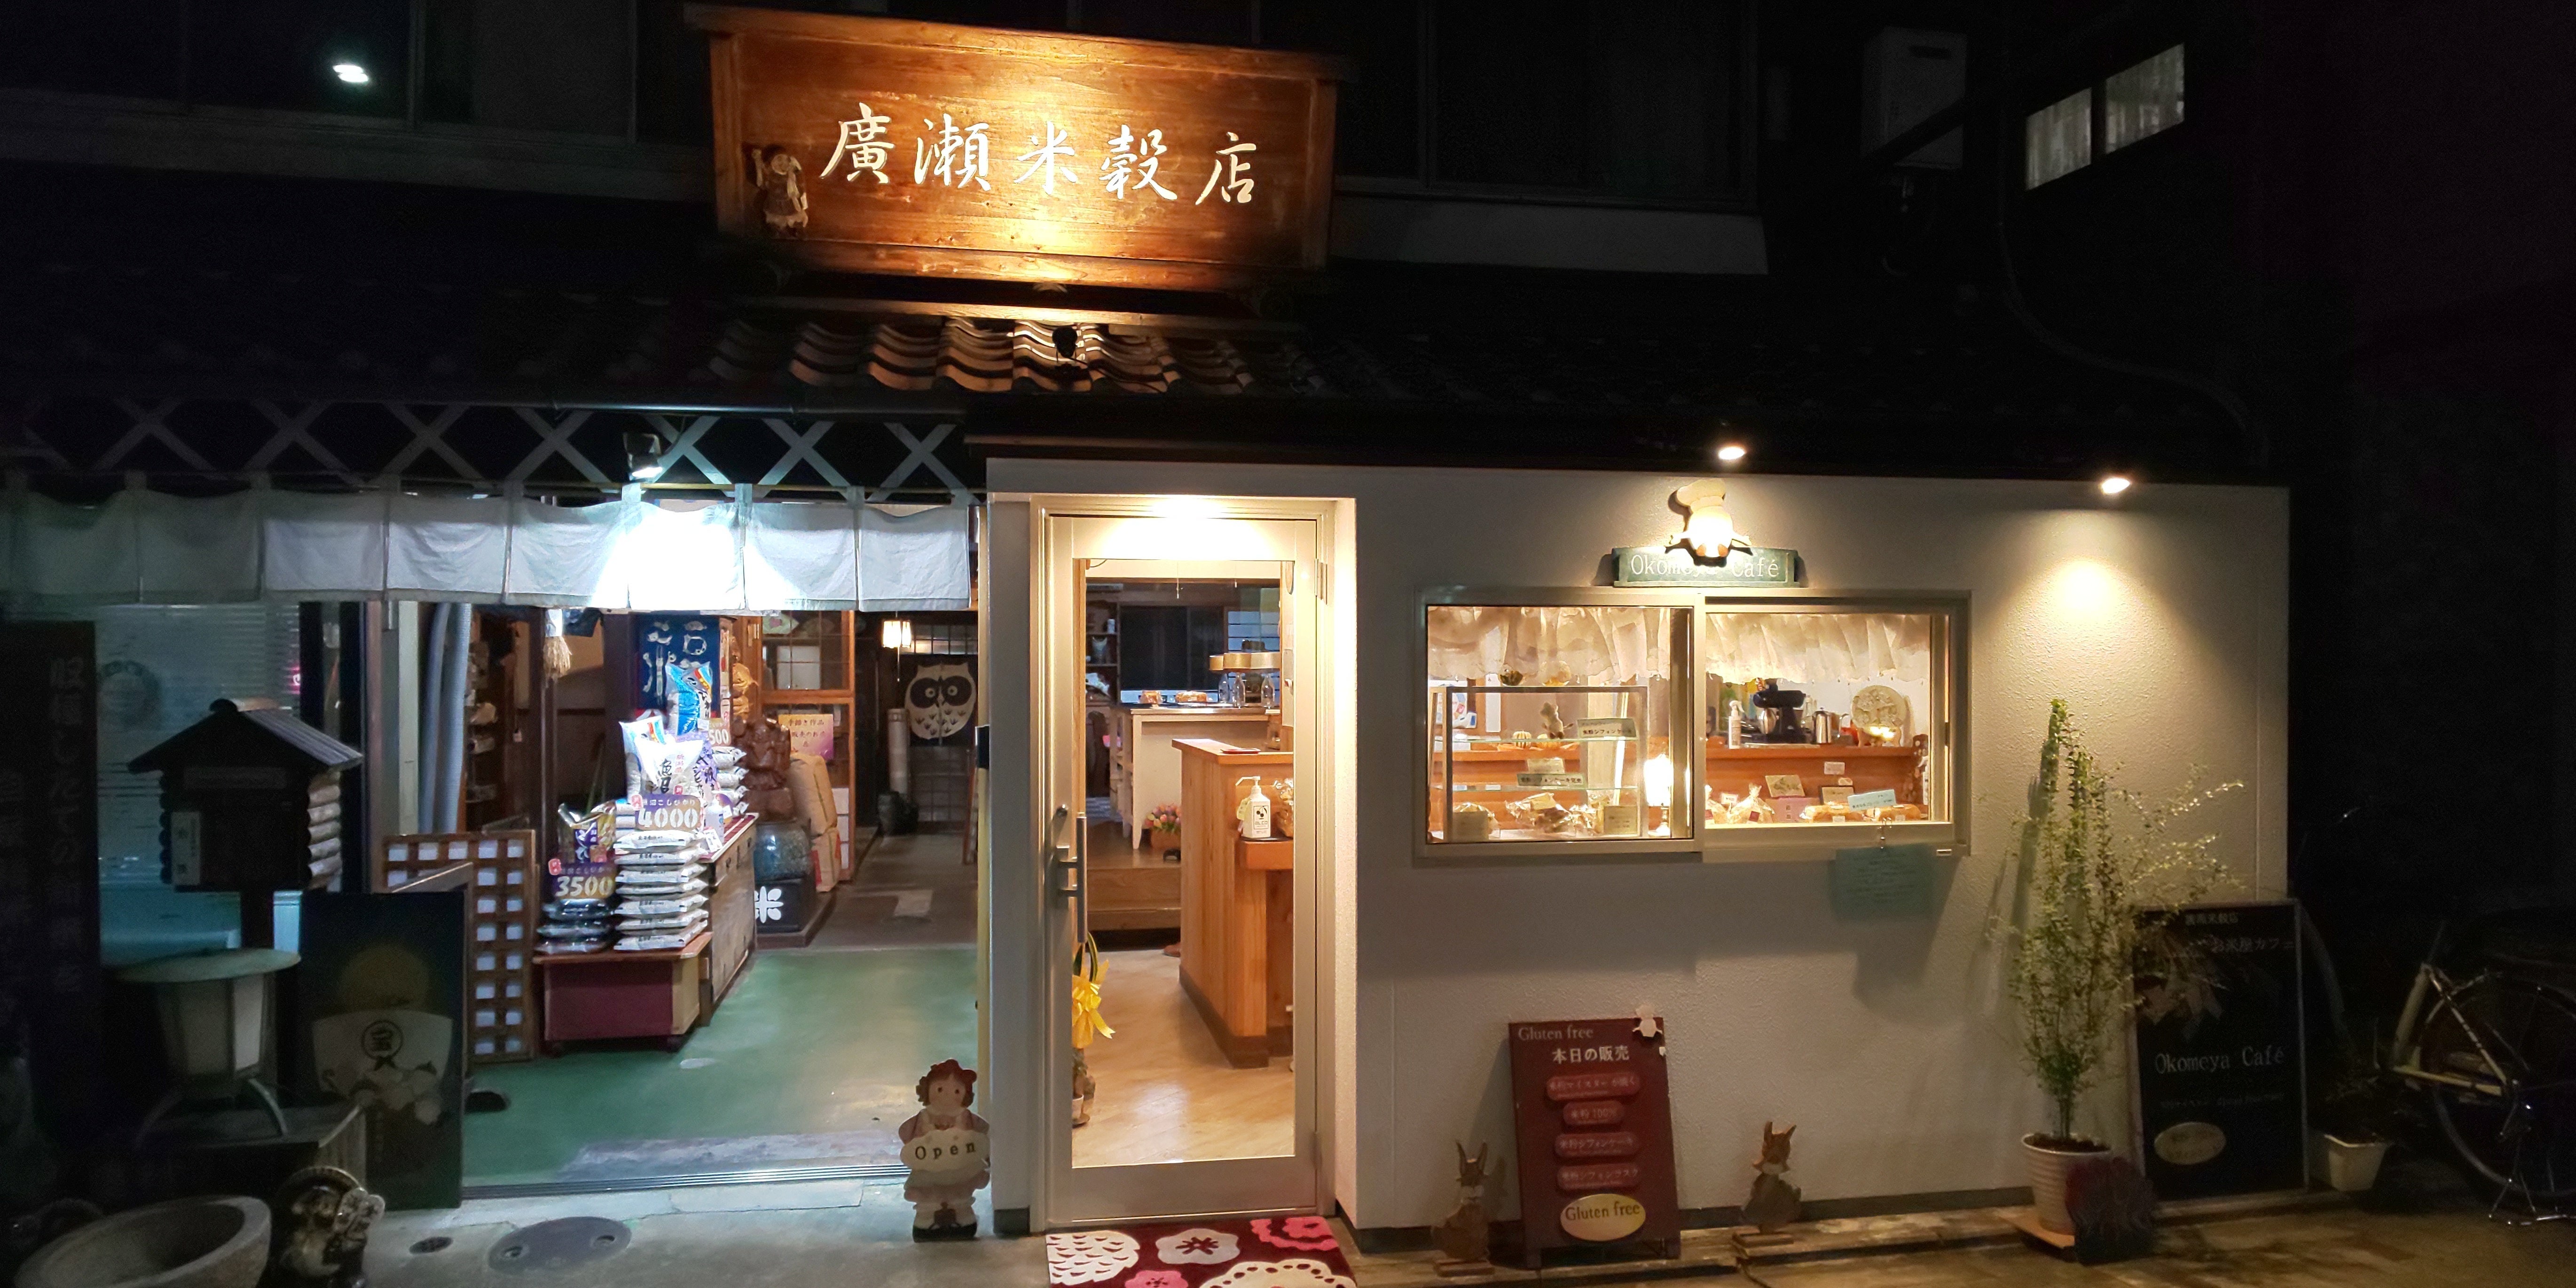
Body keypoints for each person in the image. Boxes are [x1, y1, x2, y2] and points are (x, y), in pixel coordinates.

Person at [897, 1060, 990, 1239]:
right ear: (927, 1090)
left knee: (960, 1195)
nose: (948, 1097)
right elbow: (905, 1133)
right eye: (940, 1090)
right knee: (929, 1197)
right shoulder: (923, 1118)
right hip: (929, 1168)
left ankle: (963, 1221)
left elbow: (983, 1131)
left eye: (957, 1091)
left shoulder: (966, 1117)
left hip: (961, 1166)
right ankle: (926, 1223)